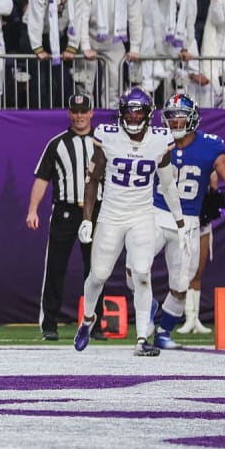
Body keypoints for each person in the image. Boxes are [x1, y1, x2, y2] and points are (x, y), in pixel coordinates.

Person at [75, 87, 191, 356]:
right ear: (121, 112)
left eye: (138, 110)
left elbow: (168, 184)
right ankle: (88, 319)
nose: (133, 115)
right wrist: (87, 219)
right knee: (99, 275)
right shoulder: (108, 136)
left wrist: (181, 222)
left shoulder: (160, 140)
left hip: (142, 215)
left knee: (141, 274)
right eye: (129, 110)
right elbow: (92, 180)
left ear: (148, 114)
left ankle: (141, 339)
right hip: (112, 215)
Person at [149, 94, 225, 349]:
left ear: (192, 120)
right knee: (135, 267)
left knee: (181, 284)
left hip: (188, 221)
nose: (175, 124)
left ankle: (164, 332)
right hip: (155, 212)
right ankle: (147, 304)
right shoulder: (154, 139)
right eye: (171, 118)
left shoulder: (211, 146)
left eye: (181, 119)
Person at [26, 94, 105, 342]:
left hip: (97, 211)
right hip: (66, 210)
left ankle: (95, 324)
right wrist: (32, 209)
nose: (80, 116)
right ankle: (49, 323)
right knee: (55, 268)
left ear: (91, 113)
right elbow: (42, 178)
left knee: (97, 270)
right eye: (75, 111)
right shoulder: (57, 143)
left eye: (84, 111)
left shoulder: (104, 142)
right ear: (69, 113)